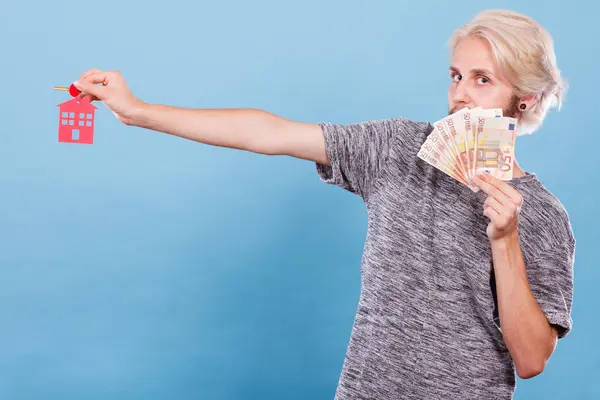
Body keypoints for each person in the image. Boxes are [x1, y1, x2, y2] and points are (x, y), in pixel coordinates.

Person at [72, 8, 575, 400]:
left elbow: (531, 359)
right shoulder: (401, 150)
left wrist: (505, 241)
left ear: (524, 99)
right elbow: (269, 133)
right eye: (455, 75)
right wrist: (139, 113)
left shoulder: (543, 215)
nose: (460, 95)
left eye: (482, 79)